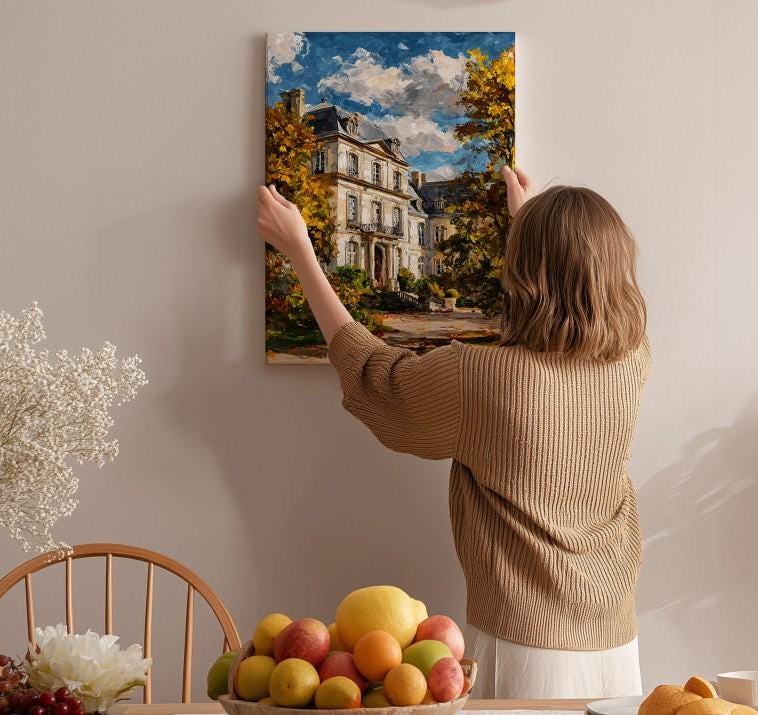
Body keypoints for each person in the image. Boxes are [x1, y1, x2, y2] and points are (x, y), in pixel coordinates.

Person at [256, 166, 650, 699]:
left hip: (524, 645)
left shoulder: (480, 378)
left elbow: (375, 374)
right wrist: (529, 224)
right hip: (617, 643)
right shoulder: (632, 360)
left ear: (522, 271)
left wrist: (299, 248)